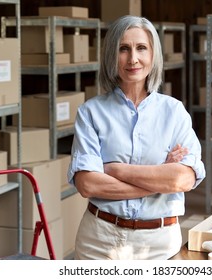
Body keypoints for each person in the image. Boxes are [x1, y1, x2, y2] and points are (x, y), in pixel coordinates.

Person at [68, 15, 205, 260]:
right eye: (123, 49)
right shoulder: (90, 112)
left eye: (141, 48)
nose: (133, 58)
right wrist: (159, 175)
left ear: (153, 55)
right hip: (100, 241)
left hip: (159, 245)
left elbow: (182, 180)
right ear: (112, 54)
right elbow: (88, 184)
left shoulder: (174, 113)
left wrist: (113, 169)